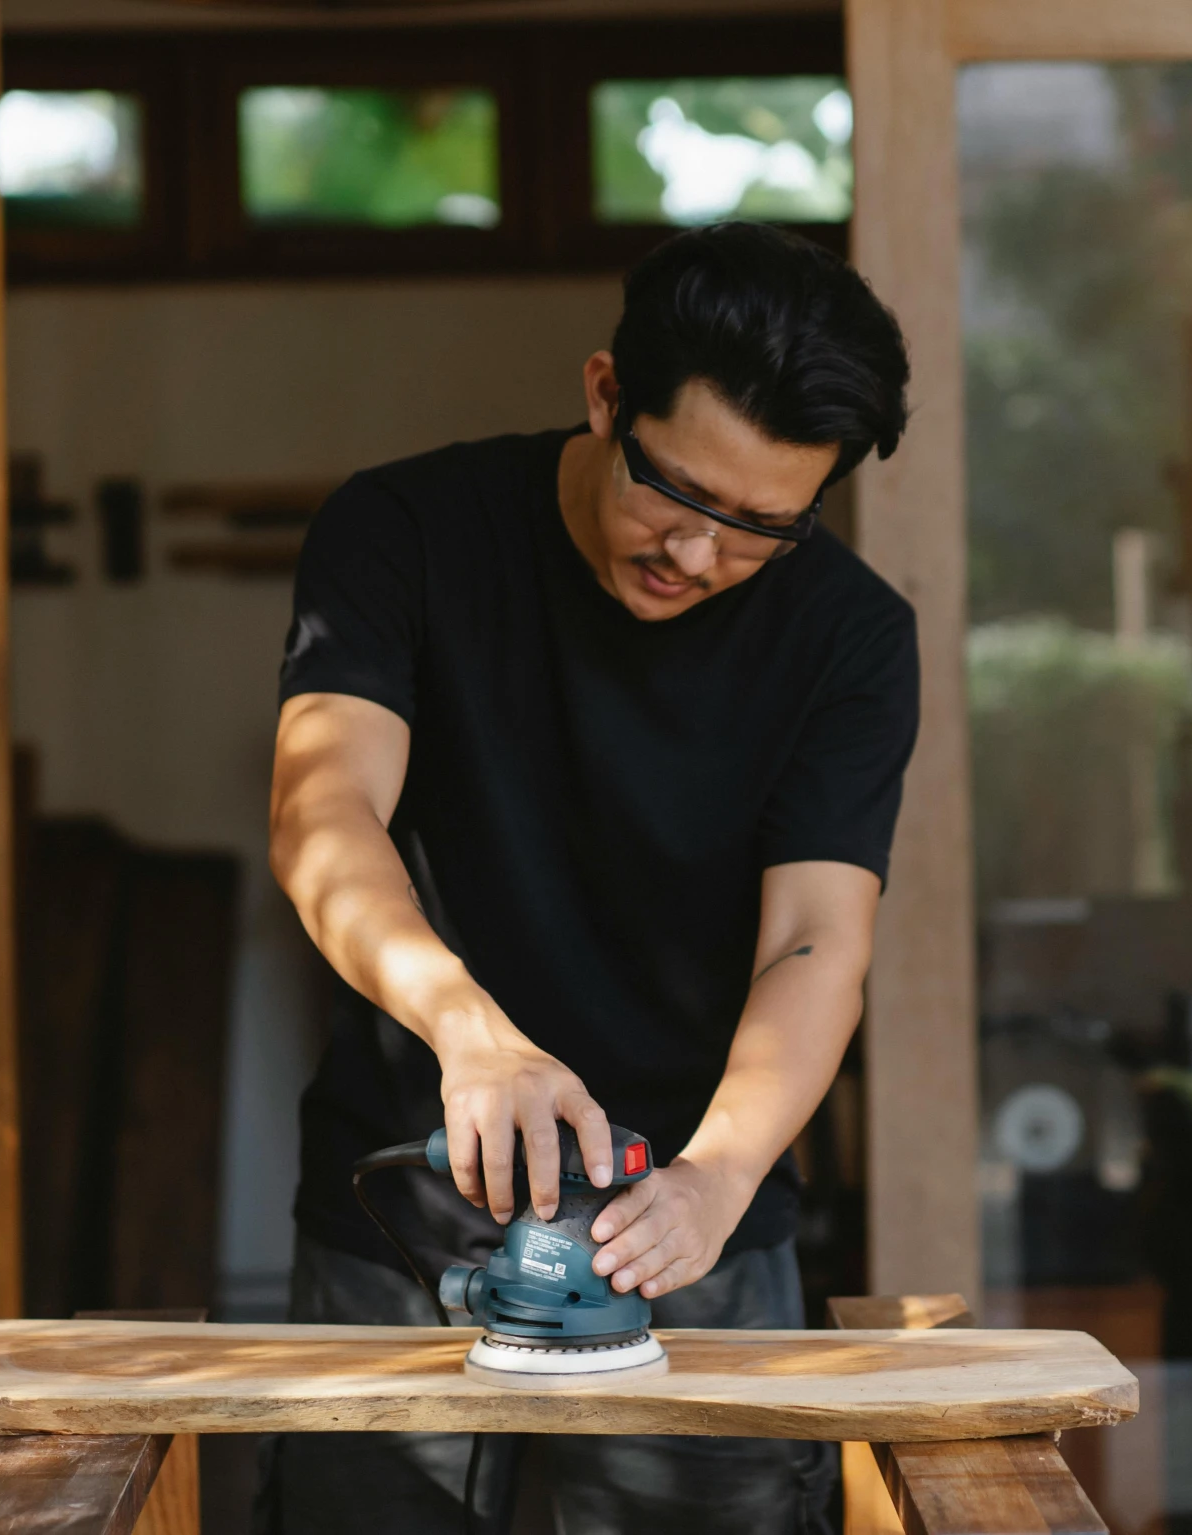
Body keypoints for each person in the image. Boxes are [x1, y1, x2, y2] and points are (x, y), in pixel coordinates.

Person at [259, 220, 917, 1535]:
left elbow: (814, 942)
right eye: (674, 495)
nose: (696, 555)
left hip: (695, 1209)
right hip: (414, 1188)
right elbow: (323, 811)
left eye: (758, 528)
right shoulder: (406, 533)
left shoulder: (849, 635)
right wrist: (471, 1032)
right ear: (605, 392)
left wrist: (719, 1178)